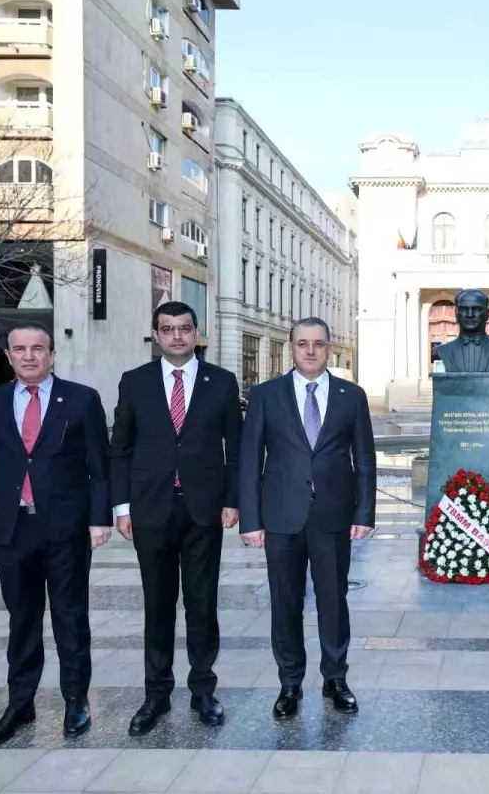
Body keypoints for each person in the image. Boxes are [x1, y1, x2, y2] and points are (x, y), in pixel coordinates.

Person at [0, 322, 112, 749]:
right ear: (8, 356)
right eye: (20, 349)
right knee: (22, 620)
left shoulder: (81, 400)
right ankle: (20, 704)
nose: (29, 356)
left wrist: (99, 519)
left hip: (65, 528)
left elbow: (100, 467)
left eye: (38, 348)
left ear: (51, 354)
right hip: (12, 529)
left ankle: (76, 699)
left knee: (70, 616)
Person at [109, 301, 243, 735]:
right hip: (150, 510)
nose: (177, 336)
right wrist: (122, 507)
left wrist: (232, 499)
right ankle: (157, 695)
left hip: (203, 510)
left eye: (184, 328)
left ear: (196, 332)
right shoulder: (134, 382)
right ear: (156, 335)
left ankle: (203, 690)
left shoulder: (221, 382)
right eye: (168, 329)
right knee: (158, 605)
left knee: (202, 604)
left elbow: (235, 448)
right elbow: (120, 449)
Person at [238, 317, 376, 719]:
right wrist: (251, 519)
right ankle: (290, 684)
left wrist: (364, 512)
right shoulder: (265, 395)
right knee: (285, 602)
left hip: (334, 515)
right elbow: (250, 460)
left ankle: (336, 679)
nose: (310, 350)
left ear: (328, 347)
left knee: (334, 601)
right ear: (291, 347)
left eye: (318, 343)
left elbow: (364, 458)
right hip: (281, 517)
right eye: (302, 343)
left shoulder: (352, 396)